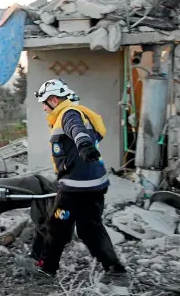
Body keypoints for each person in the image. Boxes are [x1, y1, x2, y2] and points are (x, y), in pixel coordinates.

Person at [31, 78, 126, 279]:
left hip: (74, 188)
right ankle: (115, 270)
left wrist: (83, 144)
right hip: (95, 185)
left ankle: (46, 268)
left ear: (54, 100)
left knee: (57, 227)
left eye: (44, 103)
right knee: (90, 228)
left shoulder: (68, 114)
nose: (44, 108)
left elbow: (77, 130)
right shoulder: (79, 113)